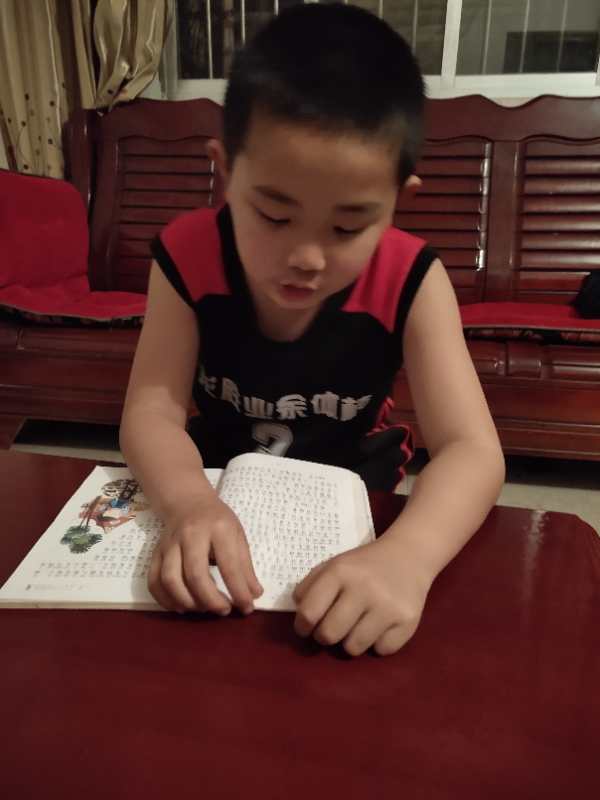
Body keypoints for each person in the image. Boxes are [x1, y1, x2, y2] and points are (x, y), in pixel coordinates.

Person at [119, 2, 505, 657]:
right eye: (273, 215)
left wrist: (409, 556)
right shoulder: (186, 254)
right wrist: (186, 502)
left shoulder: (412, 277)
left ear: (397, 201)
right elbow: (152, 408)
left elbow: (472, 448)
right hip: (214, 488)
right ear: (226, 171)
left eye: (348, 226)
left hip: (355, 502)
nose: (306, 257)